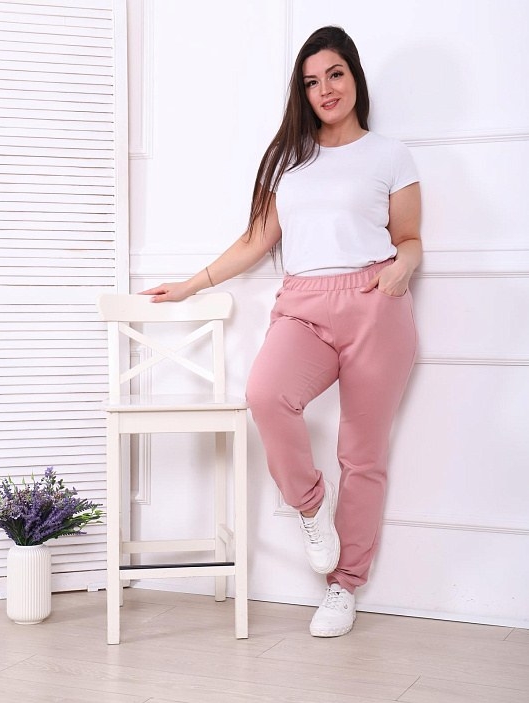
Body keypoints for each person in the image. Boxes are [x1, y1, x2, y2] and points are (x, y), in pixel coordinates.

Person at [141, 25, 422, 638]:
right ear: (303, 92)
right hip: (305, 303)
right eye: (312, 81)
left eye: (335, 74)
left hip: (375, 304)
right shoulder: (292, 162)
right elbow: (256, 240)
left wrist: (402, 269)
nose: (326, 90)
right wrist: (190, 285)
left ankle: (344, 586)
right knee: (266, 394)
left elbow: (409, 239)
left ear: (354, 76)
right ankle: (311, 505)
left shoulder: (390, 155)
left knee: (363, 454)